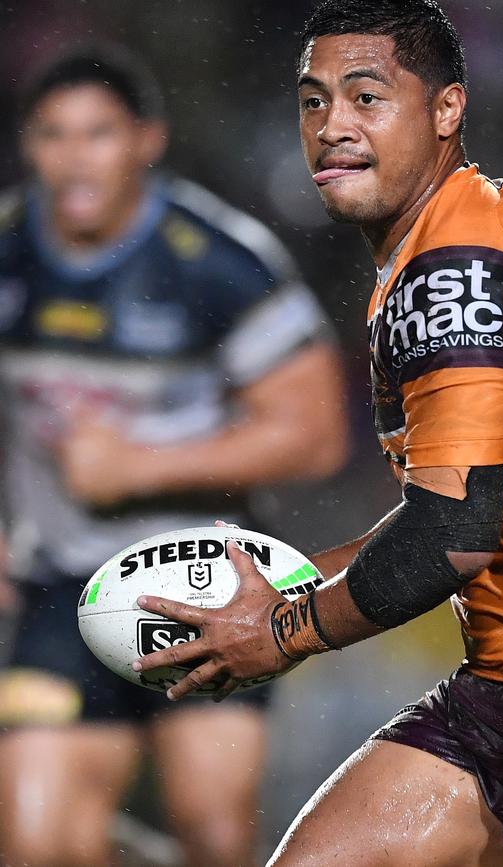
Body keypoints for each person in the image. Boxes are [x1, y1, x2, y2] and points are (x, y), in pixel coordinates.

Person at [135, 1, 503, 865]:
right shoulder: (455, 229)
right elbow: (442, 506)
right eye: (312, 101)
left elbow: (452, 536)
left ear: (446, 109)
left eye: (366, 97)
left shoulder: (456, 264)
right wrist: (287, 581)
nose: (332, 126)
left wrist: (284, 630)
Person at [0, 43, 348, 867]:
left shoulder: (222, 263)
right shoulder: (9, 250)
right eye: (54, 134)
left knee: (214, 830)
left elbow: (316, 432)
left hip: (205, 578)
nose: (75, 158)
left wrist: (138, 466)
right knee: (35, 839)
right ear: (28, 145)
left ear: (146, 140)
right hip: (58, 586)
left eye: (99, 134)